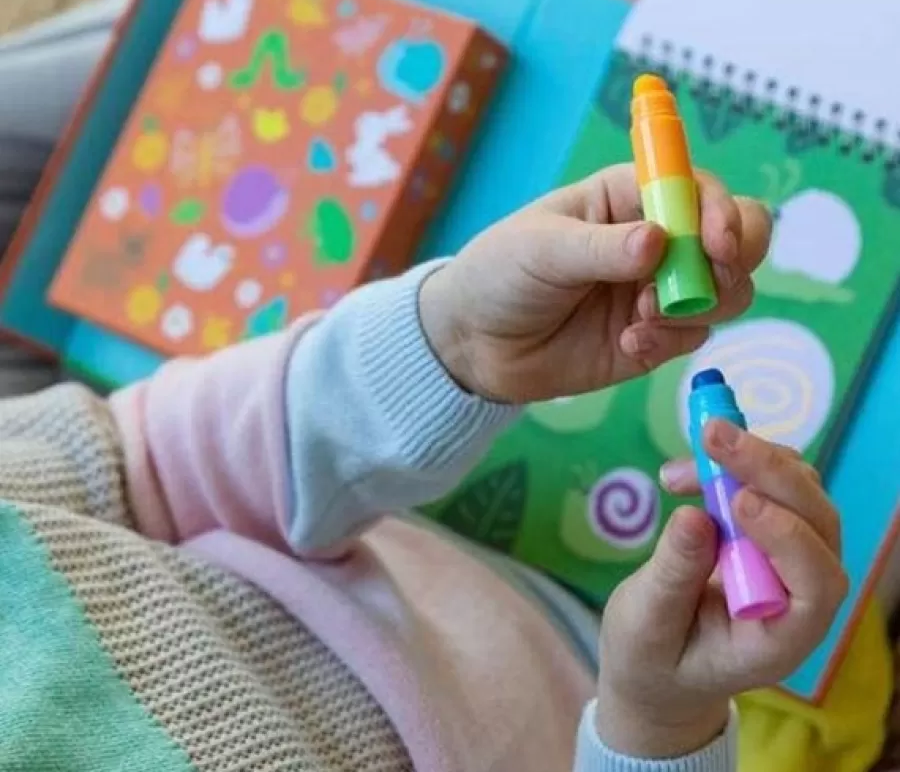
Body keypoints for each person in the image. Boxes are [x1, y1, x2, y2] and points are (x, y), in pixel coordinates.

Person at [1, 164, 846, 771]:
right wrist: (661, 724)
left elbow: (142, 463)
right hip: (654, 706)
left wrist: (455, 342)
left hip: (489, 590)